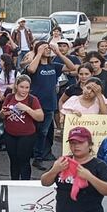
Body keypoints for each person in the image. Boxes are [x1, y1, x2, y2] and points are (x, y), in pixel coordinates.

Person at [26, 41, 77, 169]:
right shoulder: (35, 65)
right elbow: (31, 69)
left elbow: (72, 67)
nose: (47, 50)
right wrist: (38, 53)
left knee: (43, 132)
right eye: (45, 48)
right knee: (32, 131)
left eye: (48, 48)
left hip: (49, 104)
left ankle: (39, 157)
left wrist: (58, 53)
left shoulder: (54, 66)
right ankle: (29, 154)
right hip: (35, 104)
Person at [1, 75, 44, 180]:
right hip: (10, 134)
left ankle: (25, 183)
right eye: (22, 87)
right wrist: (4, 113)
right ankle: (14, 181)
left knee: (24, 160)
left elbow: (40, 117)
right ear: (16, 86)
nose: (24, 90)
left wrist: (27, 109)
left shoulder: (32, 99)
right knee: (13, 160)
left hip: (27, 135)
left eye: (27, 87)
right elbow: (1, 115)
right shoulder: (9, 97)